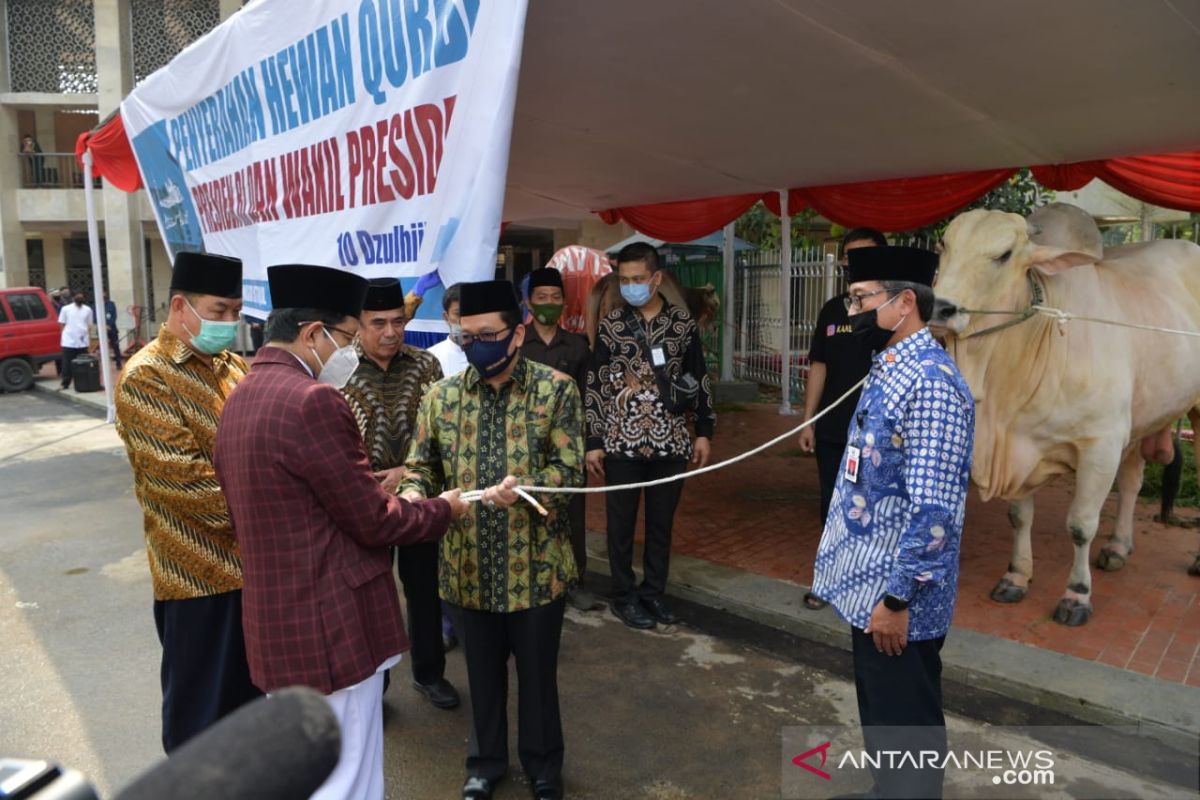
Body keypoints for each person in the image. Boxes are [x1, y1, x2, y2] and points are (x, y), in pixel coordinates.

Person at [214, 264, 466, 800]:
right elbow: (374, 520)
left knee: (304, 775)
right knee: (346, 777)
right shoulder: (313, 401)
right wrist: (444, 508)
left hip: (276, 628)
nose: (347, 353)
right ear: (312, 333)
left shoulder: (241, 396)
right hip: (331, 629)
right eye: (347, 339)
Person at [401, 279, 583, 800]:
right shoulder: (442, 397)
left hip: (538, 566)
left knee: (538, 679)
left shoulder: (555, 390)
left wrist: (525, 490)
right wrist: (416, 498)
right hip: (467, 566)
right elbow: (421, 466)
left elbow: (569, 473)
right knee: (481, 678)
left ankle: (544, 768)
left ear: (517, 333)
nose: (475, 345)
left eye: (487, 334)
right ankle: (484, 764)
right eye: (466, 337)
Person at [810, 246, 974, 800]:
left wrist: (897, 601)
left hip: (897, 601)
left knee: (906, 726)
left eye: (860, 298)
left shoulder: (930, 382)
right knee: (884, 724)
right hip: (869, 587)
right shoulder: (890, 369)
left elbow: (935, 512)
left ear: (905, 303)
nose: (850, 310)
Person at [113, 252, 261, 752]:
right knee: (201, 723)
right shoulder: (145, 377)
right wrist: (278, 516)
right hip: (197, 580)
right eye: (218, 311)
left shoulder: (232, 365)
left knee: (248, 717)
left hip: (254, 574)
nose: (228, 323)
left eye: (236, 311)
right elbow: (189, 488)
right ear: (181, 306)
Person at [340, 277, 460, 711]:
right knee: (370, 596)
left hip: (417, 493)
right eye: (378, 323)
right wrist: (369, 479)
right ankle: (377, 688)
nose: (390, 332)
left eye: (397, 321)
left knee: (425, 588)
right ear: (358, 325)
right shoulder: (338, 369)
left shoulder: (425, 365)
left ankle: (430, 674)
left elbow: (443, 431)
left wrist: (407, 470)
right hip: (360, 501)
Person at [585, 242, 715, 630]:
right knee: (620, 526)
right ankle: (623, 596)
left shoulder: (682, 324)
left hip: (670, 442)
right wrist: (593, 440)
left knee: (661, 525)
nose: (631, 286)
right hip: (620, 443)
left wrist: (704, 431)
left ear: (656, 278)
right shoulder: (611, 326)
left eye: (638, 279)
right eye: (624, 280)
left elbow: (700, 377)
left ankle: (653, 593)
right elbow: (595, 385)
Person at [798, 227, 888, 611]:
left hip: (881, 433)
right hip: (835, 428)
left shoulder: (895, 309)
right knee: (832, 504)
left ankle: (877, 585)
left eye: (864, 255)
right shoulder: (833, 309)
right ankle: (829, 579)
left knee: (878, 506)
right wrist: (808, 420)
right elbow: (819, 365)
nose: (854, 263)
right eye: (849, 256)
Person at [520, 267, 604, 613]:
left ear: (564, 303)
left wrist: (590, 444)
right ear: (529, 301)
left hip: (568, 449)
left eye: (556, 298)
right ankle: (529, 580)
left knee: (572, 515)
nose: (549, 304)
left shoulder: (578, 344)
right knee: (528, 513)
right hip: (524, 445)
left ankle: (574, 584)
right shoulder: (516, 342)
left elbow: (591, 397)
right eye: (542, 298)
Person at [428, 282, 469, 377]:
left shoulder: (492, 356)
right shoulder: (431, 358)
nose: (465, 320)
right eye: (459, 314)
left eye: (471, 313)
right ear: (446, 318)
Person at [57, 291, 94, 390]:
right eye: (78, 296)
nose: (80, 297)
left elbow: (89, 325)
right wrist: (64, 336)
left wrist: (89, 339)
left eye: (81, 296)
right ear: (73, 297)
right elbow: (62, 324)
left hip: (83, 340)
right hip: (69, 340)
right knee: (67, 363)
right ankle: (65, 383)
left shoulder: (88, 310)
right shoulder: (65, 309)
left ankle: (84, 382)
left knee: (83, 362)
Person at [103, 292, 123, 369]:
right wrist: (103, 326)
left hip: (112, 328)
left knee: (115, 346)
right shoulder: (97, 304)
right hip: (101, 329)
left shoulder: (111, 304)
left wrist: (109, 325)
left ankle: (118, 363)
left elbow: (114, 316)